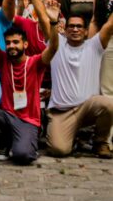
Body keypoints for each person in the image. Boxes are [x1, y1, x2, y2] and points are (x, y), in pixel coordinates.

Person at [0, 0, 59, 165]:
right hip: (7, 115)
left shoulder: (36, 62)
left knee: (23, 156)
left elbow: (53, 48)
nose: (11, 46)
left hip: (28, 120)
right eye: (9, 43)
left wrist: (54, 23)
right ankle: (5, 142)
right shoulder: (3, 60)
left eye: (16, 42)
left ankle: (27, 142)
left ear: (25, 44)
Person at [45, 12, 113, 158]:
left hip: (87, 108)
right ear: (64, 30)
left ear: (86, 31)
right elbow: (44, 22)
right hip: (62, 112)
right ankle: (74, 139)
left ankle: (100, 143)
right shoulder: (56, 44)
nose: (75, 29)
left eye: (79, 26)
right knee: (59, 150)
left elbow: (109, 25)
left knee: (109, 104)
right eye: (71, 26)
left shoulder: (95, 45)